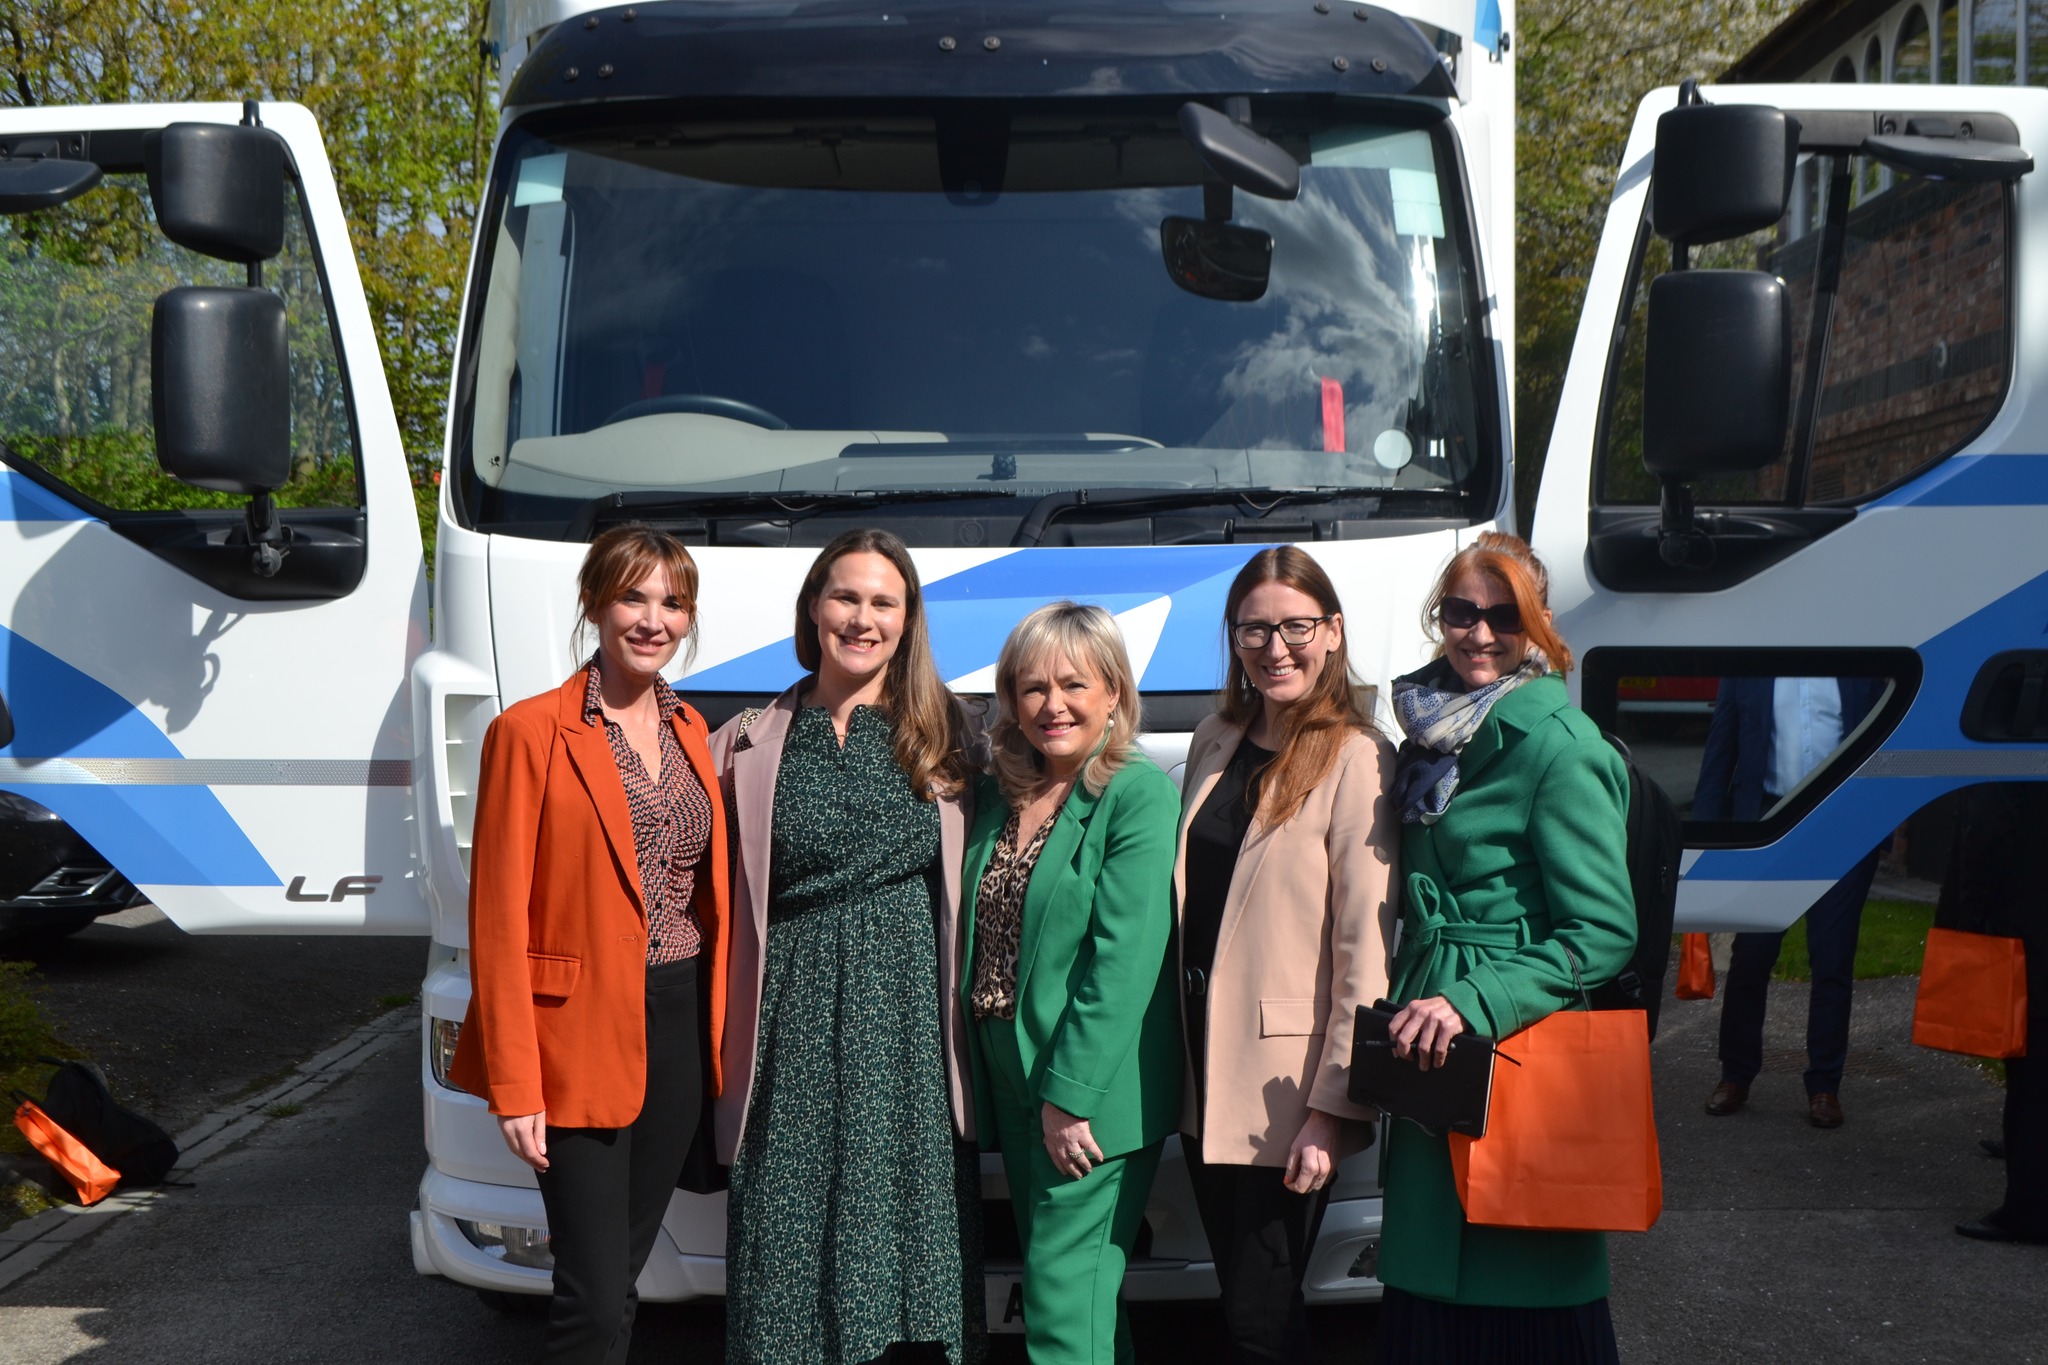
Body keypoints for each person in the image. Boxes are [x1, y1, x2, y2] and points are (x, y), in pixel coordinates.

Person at [448, 524, 728, 1365]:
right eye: (633, 597)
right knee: (594, 1292)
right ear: (595, 603)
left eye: (672, 602)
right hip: (572, 1037)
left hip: (677, 1022)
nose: (653, 619)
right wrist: (515, 1083)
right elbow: (497, 917)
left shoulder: (691, 728)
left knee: (621, 1274)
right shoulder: (529, 731)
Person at [711, 528, 984, 1365]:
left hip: (907, 1030)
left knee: (907, 1236)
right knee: (782, 1232)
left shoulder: (954, 735)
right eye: (846, 597)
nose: (862, 619)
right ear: (813, 607)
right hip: (788, 1021)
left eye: (882, 602)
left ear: (907, 620)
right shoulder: (746, 739)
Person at [1376, 532, 1636, 1364]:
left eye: (1506, 617)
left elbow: (1603, 931)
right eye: (1462, 611)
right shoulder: (1430, 735)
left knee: (1520, 1282)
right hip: (1430, 1040)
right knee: (1430, 1281)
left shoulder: (1562, 745)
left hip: (1516, 1046)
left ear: (1540, 623)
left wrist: (1473, 1000)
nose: (1480, 633)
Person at [1172, 547, 1397, 1364]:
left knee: (1257, 1324)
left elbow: (1364, 949)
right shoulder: (1215, 737)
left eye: (1296, 627)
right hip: (1203, 1077)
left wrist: (1334, 1107)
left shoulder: (1358, 754)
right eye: (1255, 629)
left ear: (1332, 631)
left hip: (1288, 1092)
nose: (1276, 648)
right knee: (1249, 1309)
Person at [961, 601, 1181, 1365]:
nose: (1051, 704)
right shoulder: (1003, 793)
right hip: (1011, 1079)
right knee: (1082, 1300)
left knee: (1059, 1309)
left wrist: (1070, 1097)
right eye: (1031, 687)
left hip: (1086, 1094)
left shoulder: (1136, 793)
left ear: (1114, 691)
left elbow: (1124, 961)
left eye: (1074, 684)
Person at [1694, 675, 1886, 1128]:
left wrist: (1881, 819)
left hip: (1842, 828)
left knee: (1833, 960)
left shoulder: (1859, 658)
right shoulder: (1750, 667)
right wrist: (1703, 838)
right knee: (1750, 958)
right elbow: (1721, 748)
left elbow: (1887, 739)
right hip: (1768, 826)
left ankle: (1825, 1086)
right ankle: (1735, 1075)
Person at [1937, 783, 2048, 1245]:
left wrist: (1972, 919)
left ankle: (2029, 1208)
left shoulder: (2010, 744)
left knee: (2032, 1067)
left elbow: (1986, 827)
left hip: (2025, 914)